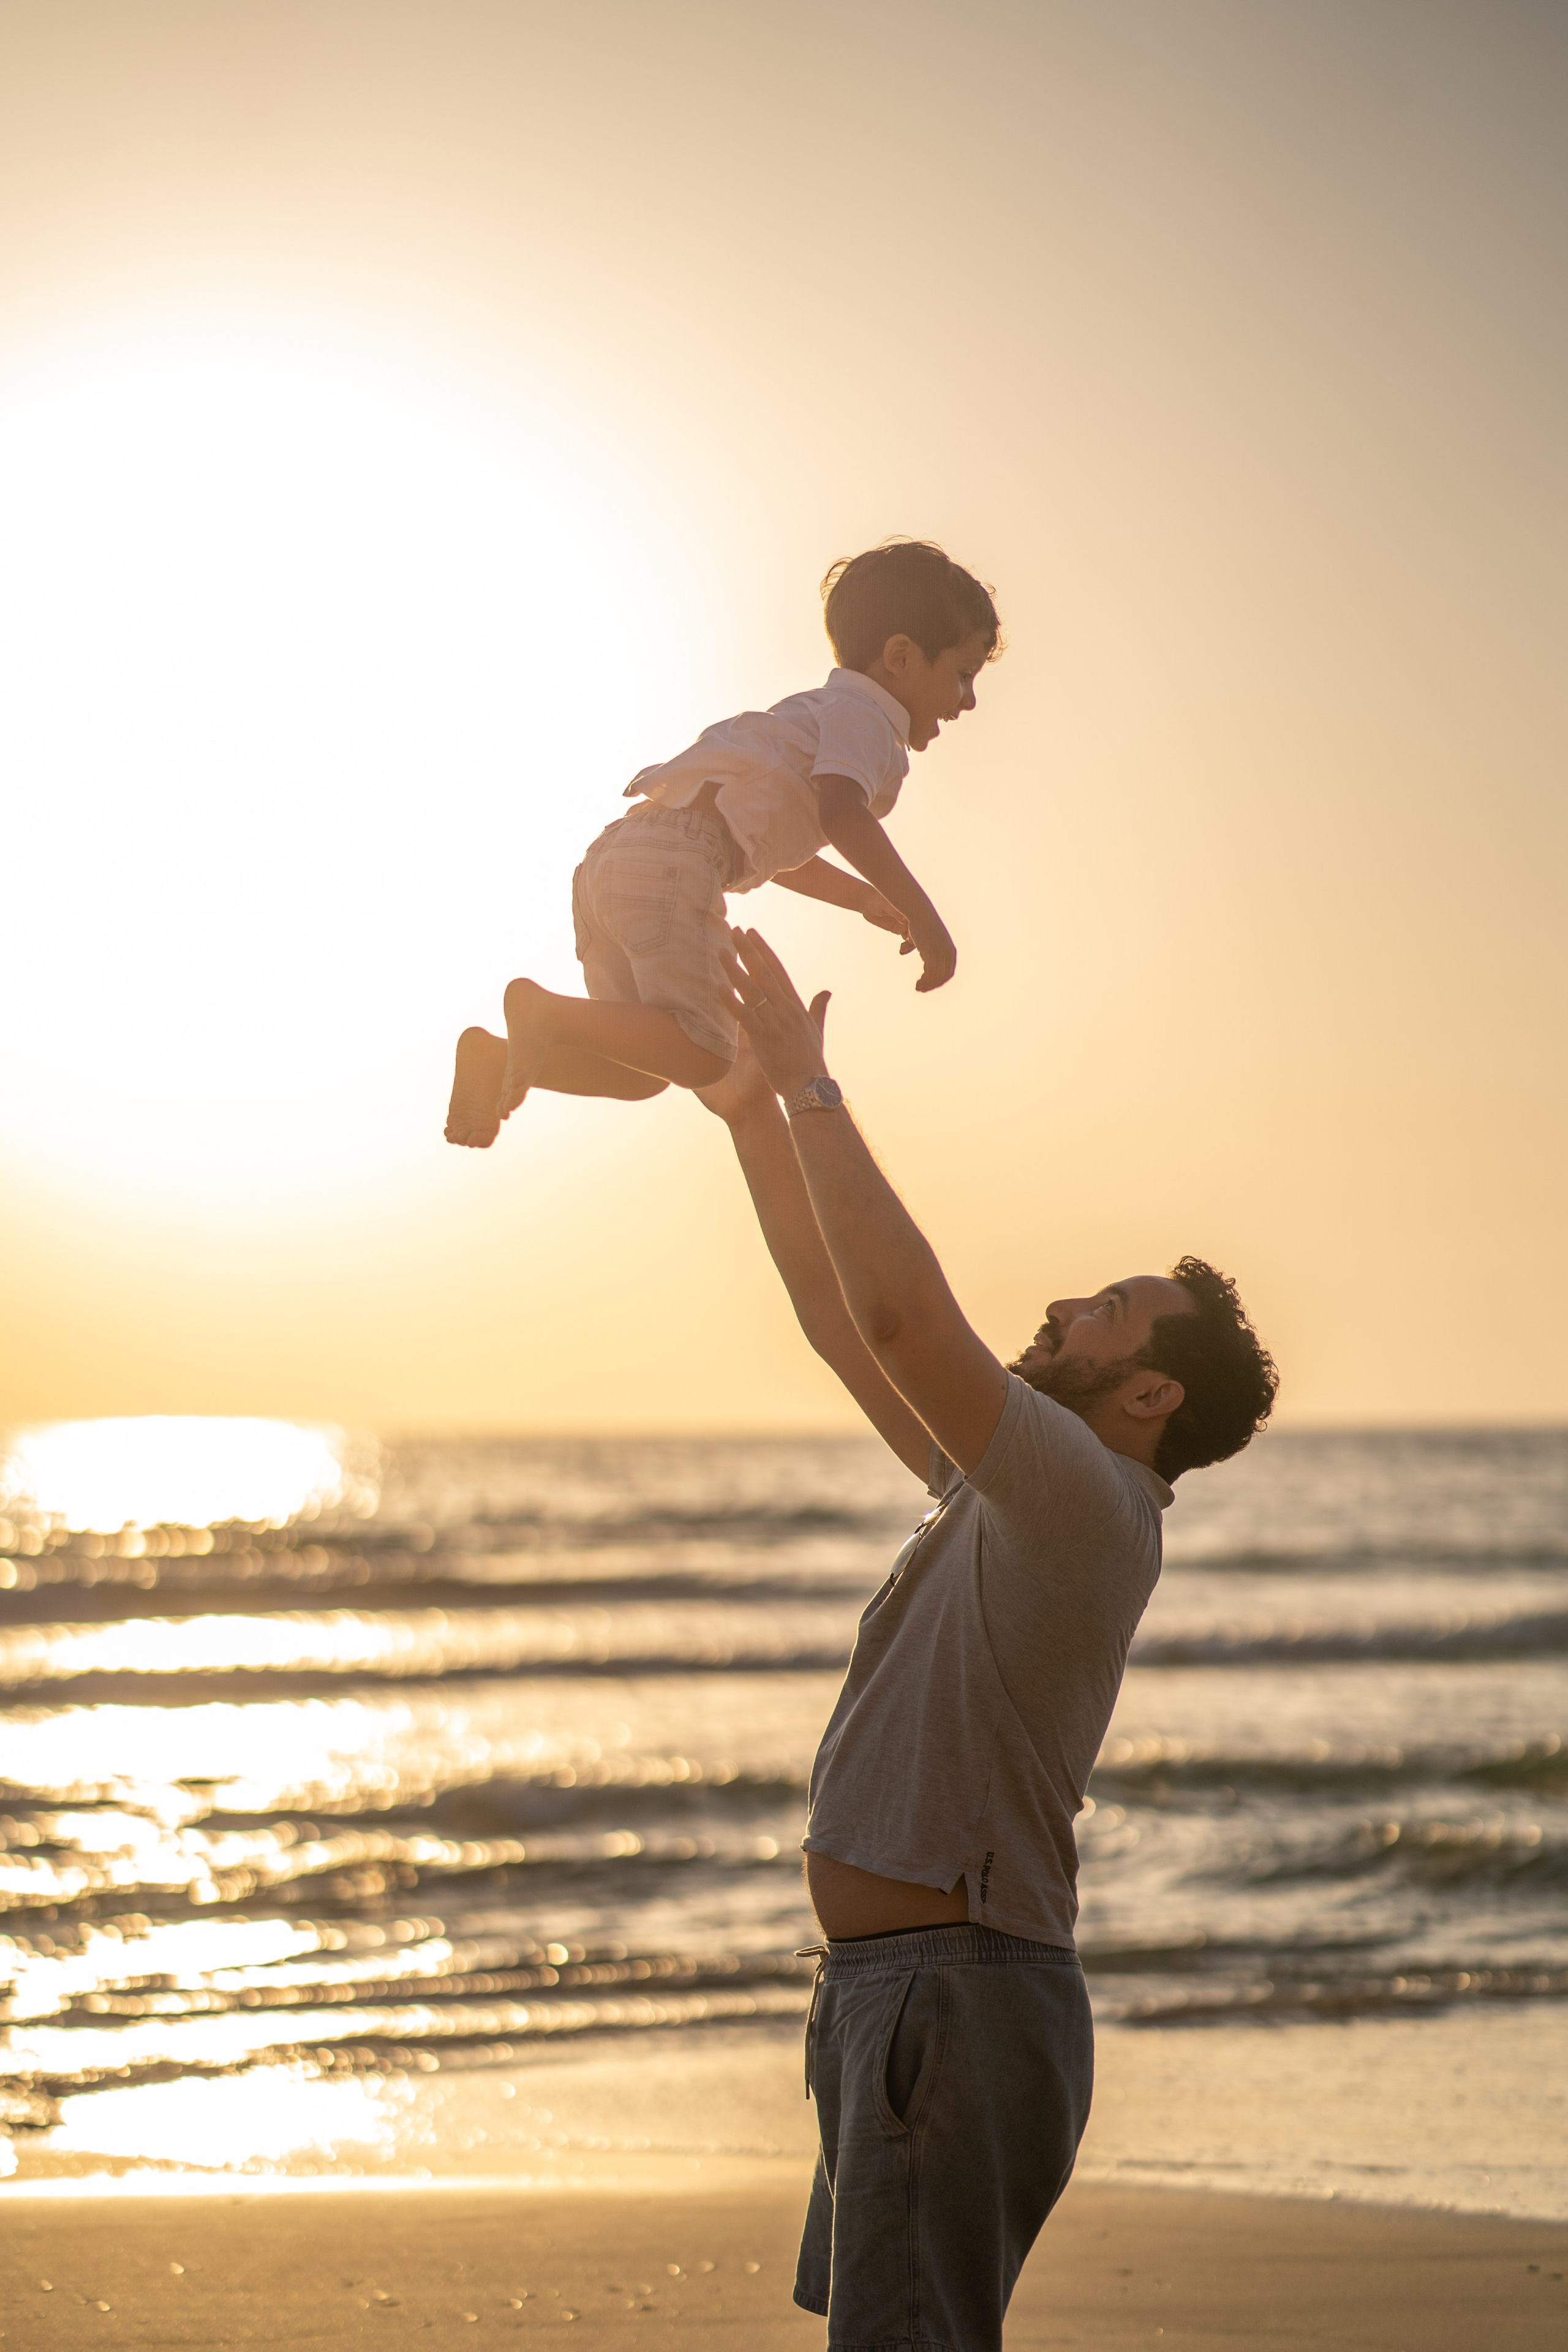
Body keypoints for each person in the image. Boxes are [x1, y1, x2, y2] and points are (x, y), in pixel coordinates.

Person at [698, 930, 1279, 2352]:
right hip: (899, 1995)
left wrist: (817, 1089)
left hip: (944, 1996)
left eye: (1104, 1309)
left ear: (1146, 1388)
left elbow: (905, 1315)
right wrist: (754, 1114)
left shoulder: (1081, 1495)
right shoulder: (1014, 1491)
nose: (1062, 1306)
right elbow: (853, 1329)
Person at [443, 540, 1000, 1147]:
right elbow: (842, 814)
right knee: (707, 1052)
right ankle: (542, 1010)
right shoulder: (869, 726)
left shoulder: (816, 712)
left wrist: (864, 899)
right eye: (962, 675)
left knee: (645, 1069)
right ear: (899, 657)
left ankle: (497, 1056)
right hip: (676, 864)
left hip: (621, 856)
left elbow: (776, 849)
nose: (968, 700)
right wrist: (927, 919)